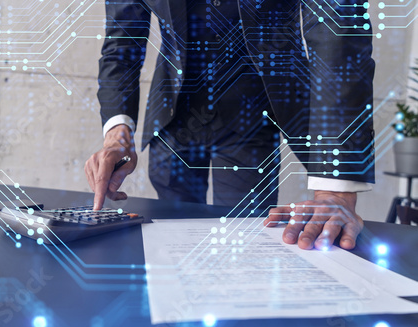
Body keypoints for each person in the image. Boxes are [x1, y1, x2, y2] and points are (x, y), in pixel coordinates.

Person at [85, 0, 375, 251]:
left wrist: (335, 190)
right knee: (174, 249)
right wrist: (117, 134)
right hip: (172, 122)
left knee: (246, 246)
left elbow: (338, 30)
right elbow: (122, 44)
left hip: (253, 120)